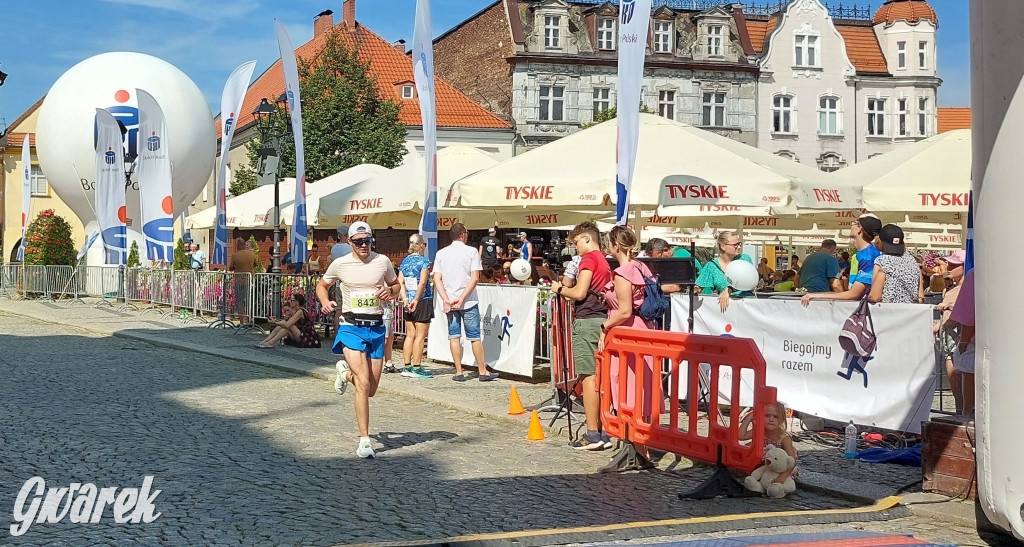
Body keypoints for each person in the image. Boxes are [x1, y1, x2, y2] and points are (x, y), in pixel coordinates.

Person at [315, 221, 401, 459]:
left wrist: (390, 293)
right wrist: (325, 302)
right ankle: (365, 440)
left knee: (371, 389)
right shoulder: (340, 264)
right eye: (359, 241)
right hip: (351, 326)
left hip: (375, 327)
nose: (364, 245)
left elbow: (396, 287)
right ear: (350, 242)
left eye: (367, 241)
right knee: (363, 384)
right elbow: (322, 286)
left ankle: (345, 374)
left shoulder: (382, 261)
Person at [549, 221, 613, 450]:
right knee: (600, 378)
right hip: (602, 320)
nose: (574, 248)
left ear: (587, 238)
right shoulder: (604, 259)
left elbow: (579, 292)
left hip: (587, 321)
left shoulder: (589, 259)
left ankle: (592, 433)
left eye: (576, 242)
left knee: (589, 378)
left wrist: (558, 289)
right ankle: (603, 430)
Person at [599, 226, 658, 454]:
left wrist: (604, 327)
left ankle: (636, 443)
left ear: (615, 245)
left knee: (627, 385)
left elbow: (624, 311)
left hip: (628, 331)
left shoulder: (624, 272)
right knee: (641, 385)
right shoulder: (641, 267)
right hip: (643, 328)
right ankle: (641, 441)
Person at [433, 223, 498, 382]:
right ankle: (482, 371)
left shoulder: (441, 253)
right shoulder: (471, 251)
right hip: (467, 301)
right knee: (474, 337)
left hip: (450, 300)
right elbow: (475, 278)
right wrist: (462, 298)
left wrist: (446, 299)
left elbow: (436, 278)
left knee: (454, 336)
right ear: (463, 235)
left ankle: (459, 371)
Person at [801, 214, 882, 307]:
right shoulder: (863, 253)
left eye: (855, 223)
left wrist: (814, 295)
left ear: (860, 229)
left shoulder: (869, 256)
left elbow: (854, 294)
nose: (851, 225)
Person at [398, 234, 433, 379]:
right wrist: (417, 300)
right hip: (422, 300)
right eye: (424, 244)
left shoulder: (405, 262)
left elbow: (400, 282)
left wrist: (405, 299)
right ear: (420, 245)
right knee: (420, 335)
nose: (425, 246)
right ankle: (417, 367)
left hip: (408, 300)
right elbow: (423, 282)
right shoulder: (424, 262)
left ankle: (407, 366)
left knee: (410, 334)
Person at [935, 250, 966, 412]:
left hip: (959, 336)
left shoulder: (965, 289)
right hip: (948, 335)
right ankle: (959, 410)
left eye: (955, 264)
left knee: (960, 376)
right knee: (954, 378)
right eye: (950, 263)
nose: (950, 267)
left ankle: (963, 411)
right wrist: (937, 326)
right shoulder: (949, 289)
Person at [738, 401, 798, 483]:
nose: (771, 419)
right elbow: (741, 436)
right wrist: (749, 417)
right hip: (764, 465)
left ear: (781, 420)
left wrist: (782, 477)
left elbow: (792, 460)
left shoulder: (784, 438)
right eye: (767, 415)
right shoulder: (760, 431)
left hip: (780, 467)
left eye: (775, 417)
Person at [695, 231, 754, 312]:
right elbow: (699, 286)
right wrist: (695, 289)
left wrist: (729, 289)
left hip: (747, 306)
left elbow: (749, 281)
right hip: (725, 309)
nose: (739, 247)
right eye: (735, 245)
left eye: (739, 244)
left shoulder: (745, 259)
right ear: (723, 246)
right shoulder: (711, 266)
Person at [868, 224, 924, 304]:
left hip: (889, 312)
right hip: (911, 313)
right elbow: (920, 296)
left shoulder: (882, 261)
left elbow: (875, 297)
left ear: (880, 242)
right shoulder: (912, 261)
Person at [948, 266, 976, 416]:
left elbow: (968, 316)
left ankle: (967, 417)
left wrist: (964, 342)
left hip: (977, 341)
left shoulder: (975, 274)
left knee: (969, 407)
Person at [255, 294, 321, 349]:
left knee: (288, 326)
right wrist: (276, 321)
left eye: (292, 300)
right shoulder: (298, 311)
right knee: (282, 325)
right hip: (302, 335)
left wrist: (274, 322)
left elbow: (287, 324)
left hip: (308, 338)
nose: (290, 302)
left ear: (296, 302)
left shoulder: (300, 311)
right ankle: (265, 341)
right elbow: (286, 323)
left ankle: (270, 343)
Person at [229, 238, 259, 324]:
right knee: (250, 300)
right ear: (244, 245)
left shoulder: (235, 255)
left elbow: (231, 268)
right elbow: (256, 264)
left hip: (239, 280)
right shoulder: (252, 254)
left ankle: (241, 321)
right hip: (250, 280)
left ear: (238, 245)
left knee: (240, 301)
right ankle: (249, 320)